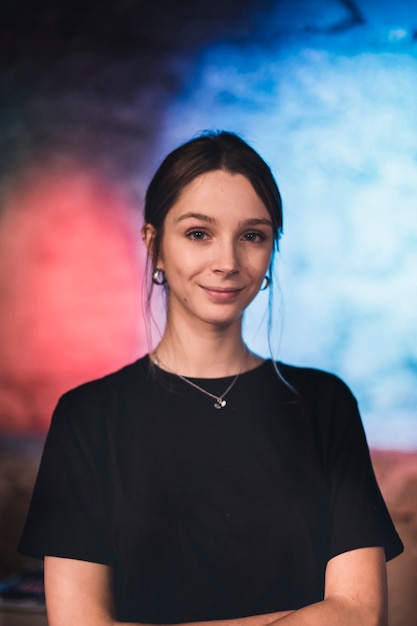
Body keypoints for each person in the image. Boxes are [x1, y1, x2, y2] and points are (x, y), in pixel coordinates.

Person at [19, 131, 403, 626]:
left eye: (252, 235)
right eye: (199, 233)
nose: (227, 262)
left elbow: (360, 615)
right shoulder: (87, 416)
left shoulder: (324, 404)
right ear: (154, 246)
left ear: (271, 253)